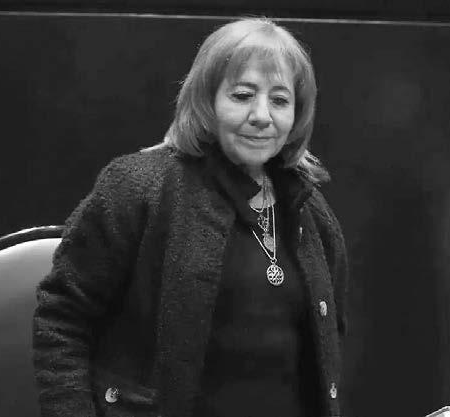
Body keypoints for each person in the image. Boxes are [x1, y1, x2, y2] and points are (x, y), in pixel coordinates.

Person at [32, 17, 349, 417]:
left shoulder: (310, 208)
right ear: (206, 100)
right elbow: (62, 321)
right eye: (243, 95)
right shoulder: (137, 187)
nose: (262, 115)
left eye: (280, 100)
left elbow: (329, 345)